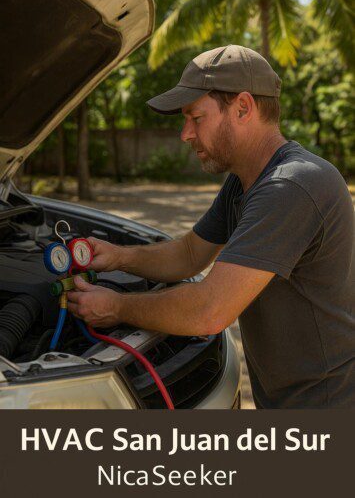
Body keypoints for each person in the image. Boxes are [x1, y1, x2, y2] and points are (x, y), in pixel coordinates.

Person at [67, 45, 355, 409]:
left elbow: (210, 310)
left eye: (195, 117)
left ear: (243, 107)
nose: (185, 134)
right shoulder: (246, 180)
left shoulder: (292, 186)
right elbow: (189, 254)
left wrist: (116, 307)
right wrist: (117, 257)